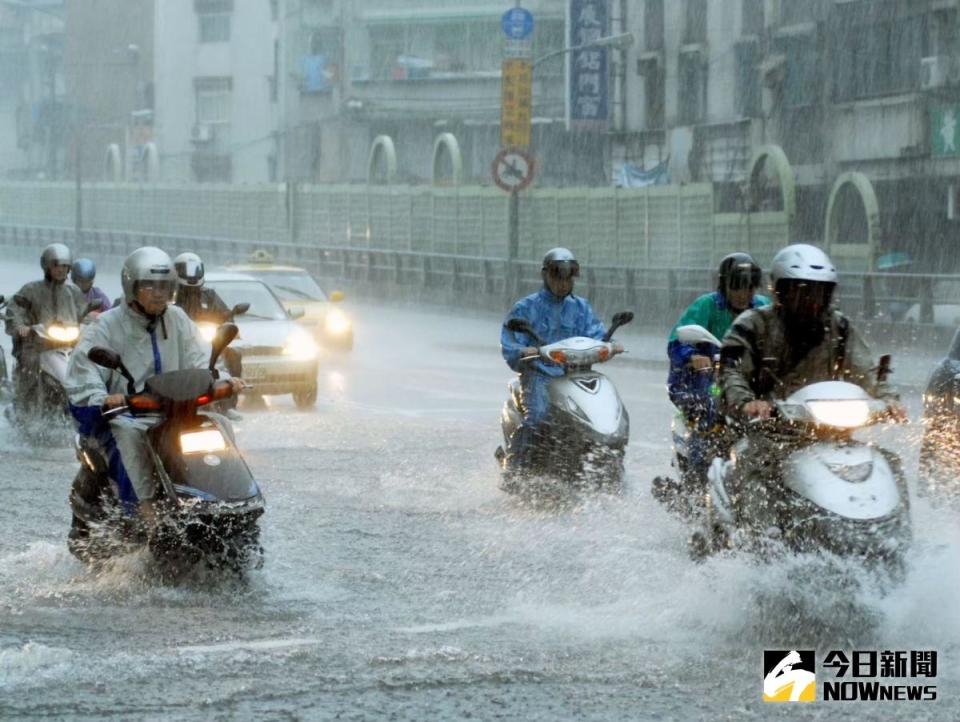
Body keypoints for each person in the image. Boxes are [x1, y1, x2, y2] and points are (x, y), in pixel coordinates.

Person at [718, 243, 903, 525]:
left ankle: (897, 539)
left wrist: (888, 398)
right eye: (801, 290)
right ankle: (756, 545)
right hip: (772, 431)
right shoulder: (754, 324)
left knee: (889, 463)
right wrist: (748, 402)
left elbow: (866, 368)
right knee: (753, 471)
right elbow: (731, 370)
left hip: (831, 431)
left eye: (818, 291)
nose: (810, 299)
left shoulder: (839, 327)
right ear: (781, 291)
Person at [64, 247, 244, 532]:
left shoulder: (178, 319)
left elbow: (200, 357)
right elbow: (84, 370)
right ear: (132, 286)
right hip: (128, 414)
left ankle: (231, 502)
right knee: (129, 435)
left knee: (218, 424)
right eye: (149, 285)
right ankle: (144, 514)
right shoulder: (107, 326)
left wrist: (221, 379)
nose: (158, 293)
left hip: (176, 411)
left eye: (164, 286)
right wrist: (102, 398)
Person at [499, 247, 621, 475]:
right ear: (545, 275)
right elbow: (510, 341)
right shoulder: (527, 307)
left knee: (607, 415)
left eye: (569, 277)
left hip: (577, 374)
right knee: (538, 416)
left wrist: (610, 344)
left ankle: (613, 465)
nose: (563, 283)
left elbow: (595, 333)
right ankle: (515, 470)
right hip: (541, 375)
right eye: (558, 276)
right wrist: (522, 351)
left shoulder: (581, 307)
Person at [664, 253, 769, 482]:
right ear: (724, 285)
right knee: (709, 412)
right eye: (738, 286)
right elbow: (676, 342)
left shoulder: (763, 308)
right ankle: (696, 479)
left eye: (750, 287)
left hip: (747, 383)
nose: (745, 294)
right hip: (702, 383)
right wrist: (694, 357)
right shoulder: (706, 306)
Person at [5, 243, 88, 415]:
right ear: (46, 266)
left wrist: (91, 322)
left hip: (68, 344)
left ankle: (91, 403)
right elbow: (15, 309)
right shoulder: (31, 290)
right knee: (30, 362)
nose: (60, 270)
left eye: (65, 266)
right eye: (56, 265)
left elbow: (84, 313)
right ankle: (24, 405)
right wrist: (21, 326)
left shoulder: (73, 292)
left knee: (91, 362)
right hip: (37, 344)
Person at [173, 251, 242, 418]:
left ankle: (228, 404)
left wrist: (228, 320)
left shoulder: (208, 295)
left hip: (208, 340)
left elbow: (225, 314)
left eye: (194, 269)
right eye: (186, 269)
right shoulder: (171, 297)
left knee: (233, 355)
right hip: (180, 341)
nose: (191, 274)